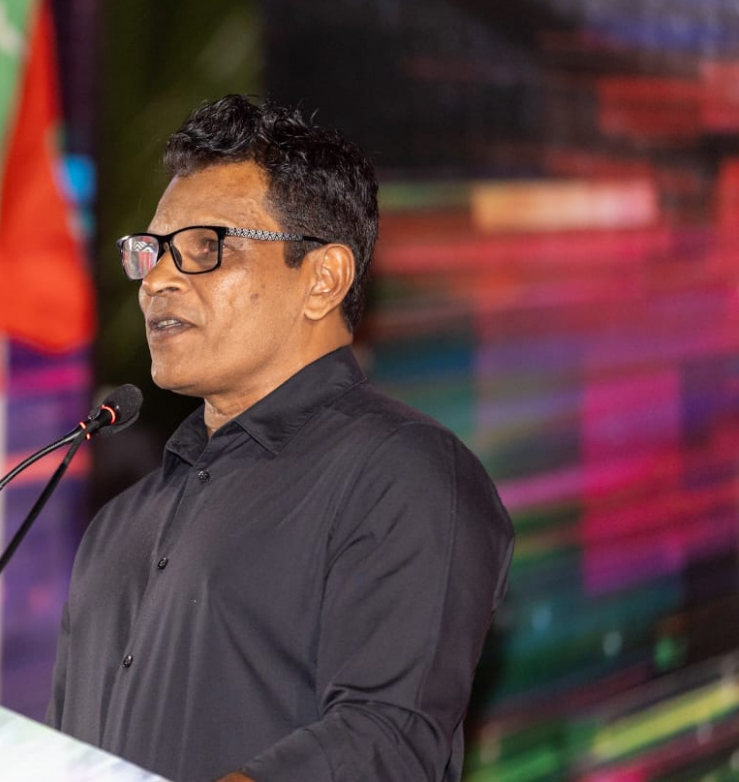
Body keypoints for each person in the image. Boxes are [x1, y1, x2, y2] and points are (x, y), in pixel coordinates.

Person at [46, 95, 514, 782]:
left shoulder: (401, 473)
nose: (157, 281)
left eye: (204, 248)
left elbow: (388, 740)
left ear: (322, 279)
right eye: (149, 253)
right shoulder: (118, 524)